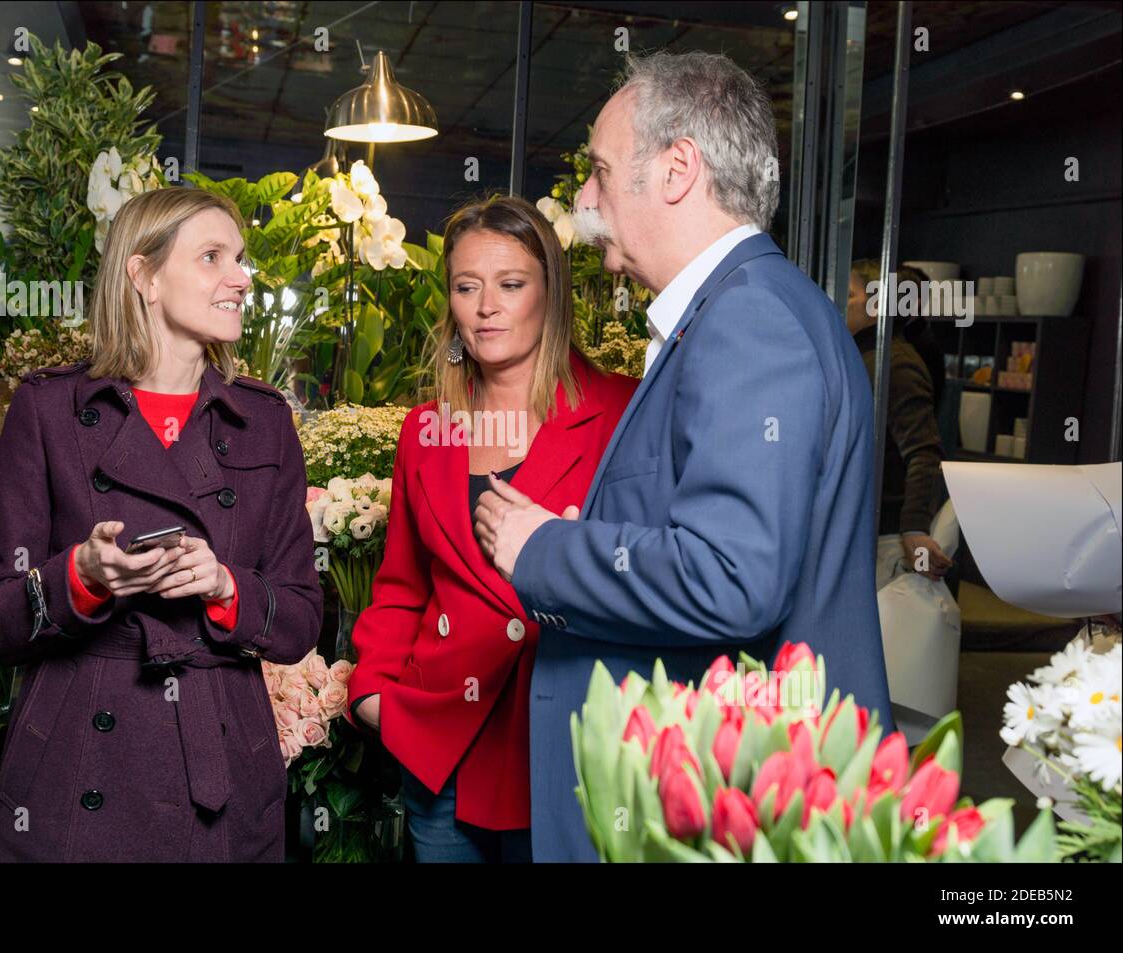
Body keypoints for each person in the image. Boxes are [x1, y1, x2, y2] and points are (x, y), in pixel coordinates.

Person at [473, 51, 895, 862]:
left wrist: (545, 547)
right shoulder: (745, 309)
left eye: (599, 172)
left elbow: (734, 578)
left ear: (676, 170)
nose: (585, 201)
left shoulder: (747, 322)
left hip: (724, 802)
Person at [0, 187, 322, 862]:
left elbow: (301, 619)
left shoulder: (264, 419)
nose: (241, 278)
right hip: (78, 757)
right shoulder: (47, 410)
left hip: (218, 760)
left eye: (241, 259)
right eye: (213, 256)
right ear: (144, 275)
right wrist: (82, 575)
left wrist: (224, 587)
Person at [345, 195, 638, 862]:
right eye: (466, 286)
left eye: (510, 284)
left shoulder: (621, 409)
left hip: (565, 747)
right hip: (442, 750)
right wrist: (372, 696)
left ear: (551, 293)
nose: (486, 307)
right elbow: (401, 586)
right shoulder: (428, 428)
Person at [847, 260, 951, 586]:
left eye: (848, 294)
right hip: (865, 531)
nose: (836, 300)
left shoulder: (894, 363)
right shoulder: (863, 356)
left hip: (886, 538)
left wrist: (914, 529)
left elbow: (923, 451)